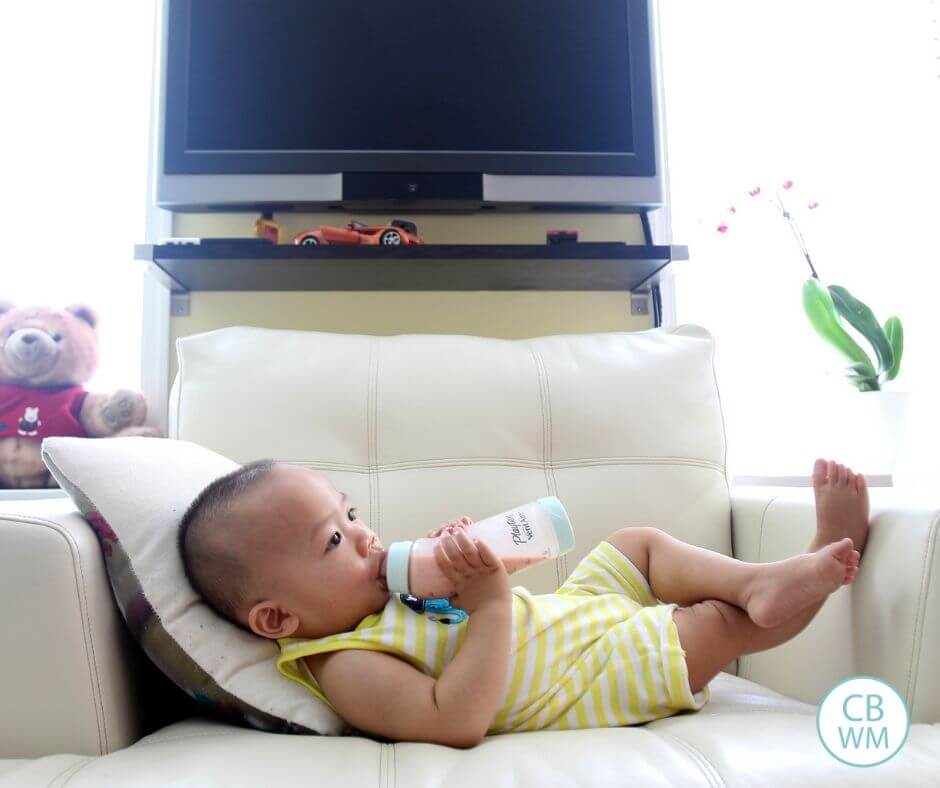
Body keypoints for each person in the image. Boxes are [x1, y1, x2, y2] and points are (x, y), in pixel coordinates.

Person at [177, 458, 867, 748]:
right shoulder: (345, 661)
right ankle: (803, 571)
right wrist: (491, 603)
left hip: (573, 613)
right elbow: (455, 721)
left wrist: (462, 563)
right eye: (333, 538)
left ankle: (759, 578)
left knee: (638, 545)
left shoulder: (382, 598)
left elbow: (459, 609)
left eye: (351, 513)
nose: (364, 534)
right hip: (592, 676)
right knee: (713, 625)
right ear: (277, 619)